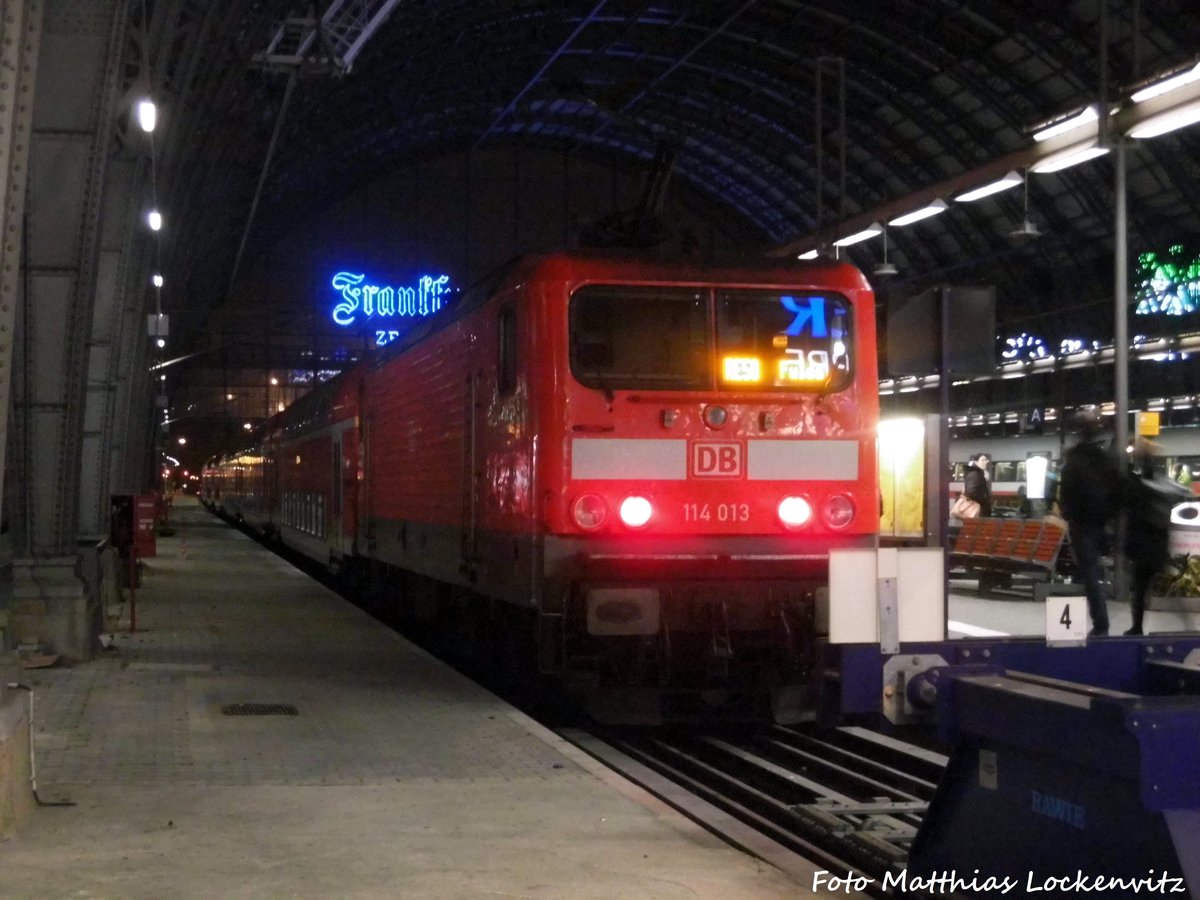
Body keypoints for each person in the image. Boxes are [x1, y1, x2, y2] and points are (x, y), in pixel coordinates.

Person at [1058, 413, 1120, 636]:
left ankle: (1101, 623)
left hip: (1081, 525)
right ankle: (1102, 620)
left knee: (1090, 572)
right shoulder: (1104, 458)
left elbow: (1067, 492)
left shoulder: (1073, 459)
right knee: (1093, 570)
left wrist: (1067, 514)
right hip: (1102, 522)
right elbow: (1116, 489)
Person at [1123, 444, 1186, 635]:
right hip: (1159, 544)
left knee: (1140, 589)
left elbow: (1132, 515)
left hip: (1143, 545)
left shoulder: (1140, 488)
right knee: (1155, 585)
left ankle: (1137, 627)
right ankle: (1187, 623)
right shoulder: (1164, 486)